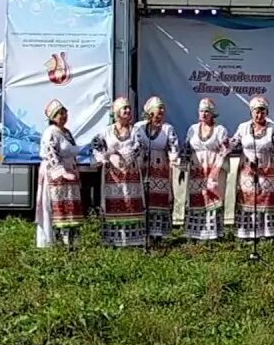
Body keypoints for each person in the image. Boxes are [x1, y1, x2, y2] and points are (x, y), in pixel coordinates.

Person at [91, 97, 146, 248]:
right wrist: (105, 158)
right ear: (116, 112)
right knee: (114, 203)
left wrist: (123, 156)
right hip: (112, 176)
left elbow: (138, 146)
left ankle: (133, 241)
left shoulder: (135, 130)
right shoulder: (107, 131)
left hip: (130, 174)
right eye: (124, 108)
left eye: (129, 108)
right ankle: (113, 240)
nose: (128, 111)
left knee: (130, 202)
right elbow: (96, 145)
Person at [229, 96, 274, 241]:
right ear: (251, 113)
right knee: (247, 199)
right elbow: (232, 144)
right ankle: (247, 234)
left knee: (266, 200)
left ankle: (267, 234)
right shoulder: (243, 127)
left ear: (267, 112)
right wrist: (222, 144)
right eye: (256, 112)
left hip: (266, 170)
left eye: (262, 112)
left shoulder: (273, 128)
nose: (259, 115)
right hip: (247, 170)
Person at [35, 99, 84, 248]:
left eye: (64, 112)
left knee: (70, 207)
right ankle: (53, 242)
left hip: (69, 174)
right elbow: (51, 154)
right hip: (55, 175)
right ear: (52, 117)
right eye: (58, 114)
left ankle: (70, 242)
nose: (63, 116)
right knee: (55, 208)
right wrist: (61, 172)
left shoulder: (66, 132)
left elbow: (71, 150)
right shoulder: (50, 132)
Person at [181, 98, 230, 241]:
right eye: (201, 111)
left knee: (212, 197)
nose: (204, 114)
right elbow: (186, 148)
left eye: (207, 111)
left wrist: (216, 169)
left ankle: (214, 234)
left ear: (213, 114)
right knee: (196, 198)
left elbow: (225, 150)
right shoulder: (193, 129)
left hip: (214, 168)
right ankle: (195, 233)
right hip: (197, 169)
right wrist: (184, 167)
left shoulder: (220, 130)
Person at [134, 96, 180, 242]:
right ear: (149, 112)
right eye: (157, 109)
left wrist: (173, 159)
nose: (160, 112)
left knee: (159, 200)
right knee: (144, 199)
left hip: (160, 168)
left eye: (162, 110)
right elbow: (133, 144)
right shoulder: (139, 127)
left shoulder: (167, 129)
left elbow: (174, 146)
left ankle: (158, 235)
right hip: (144, 167)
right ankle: (143, 233)